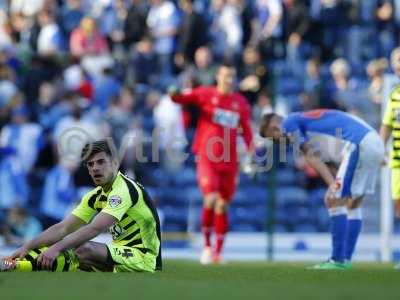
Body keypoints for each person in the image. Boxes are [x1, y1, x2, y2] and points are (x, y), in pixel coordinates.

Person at [0, 140, 162, 272]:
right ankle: (10, 263)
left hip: (144, 257)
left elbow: (94, 229)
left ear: (114, 163)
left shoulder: (123, 190)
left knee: (82, 249)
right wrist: (27, 246)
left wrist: (56, 248)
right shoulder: (95, 195)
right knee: (69, 251)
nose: (95, 168)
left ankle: (16, 267)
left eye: (100, 162)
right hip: (119, 251)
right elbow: (63, 228)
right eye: (90, 165)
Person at [259, 109, 384, 270]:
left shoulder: (288, 124)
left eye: (273, 138)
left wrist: (332, 184)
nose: (277, 141)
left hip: (357, 144)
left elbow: (311, 155)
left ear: (274, 128)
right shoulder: (302, 119)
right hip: (373, 141)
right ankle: (345, 259)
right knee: (353, 204)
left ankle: (338, 260)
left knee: (333, 199)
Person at [169, 63, 254, 264]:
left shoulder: (240, 102)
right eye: (226, 76)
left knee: (223, 205)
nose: (229, 80)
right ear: (218, 77)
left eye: (232, 76)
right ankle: (207, 247)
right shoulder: (206, 94)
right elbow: (182, 98)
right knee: (211, 198)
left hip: (230, 160)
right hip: (208, 157)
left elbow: (246, 130)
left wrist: (250, 150)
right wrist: (174, 94)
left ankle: (218, 252)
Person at [380, 47, 400, 269]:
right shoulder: (395, 94)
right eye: (395, 61)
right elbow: (386, 126)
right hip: (397, 161)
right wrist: (380, 147)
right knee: (398, 207)